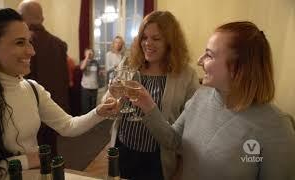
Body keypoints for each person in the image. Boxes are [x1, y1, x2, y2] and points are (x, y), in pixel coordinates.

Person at [133, 21, 295, 179]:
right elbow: (173, 140)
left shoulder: (276, 128)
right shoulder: (200, 96)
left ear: (239, 68)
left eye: (209, 55)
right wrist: (148, 105)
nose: (199, 61)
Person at [0, 8, 118, 179]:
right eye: (20, 43)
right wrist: (28, 160)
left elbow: (68, 126)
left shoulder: (32, 89)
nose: (31, 51)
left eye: (30, 42)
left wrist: (99, 112)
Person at [105, 11, 200, 180]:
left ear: (171, 42)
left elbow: (190, 133)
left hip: (157, 158)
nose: (147, 44)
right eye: (144, 37)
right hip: (123, 149)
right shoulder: (129, 63)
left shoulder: (187, 76)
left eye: (156, 39)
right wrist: (112, 97)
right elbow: (108, 108)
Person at [17, 0, 70, 155]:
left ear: (21, 18)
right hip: (55, 107)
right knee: (51, 152)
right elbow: (64, 80)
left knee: (33, 158)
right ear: (42, 18)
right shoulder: (59, 44)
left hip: (30, 111)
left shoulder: (24, 45)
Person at [80, 48, 100, 114]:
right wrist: (87, 58)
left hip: (94, 87)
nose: (90, 54)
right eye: (88, 53)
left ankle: (92, 123)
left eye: (91, 53)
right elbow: (82, 68)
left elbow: (98, 73)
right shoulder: (83, 61)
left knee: (93, 108)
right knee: (85, 107)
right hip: (85, 88)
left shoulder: (96, 62)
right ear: (85, 54)